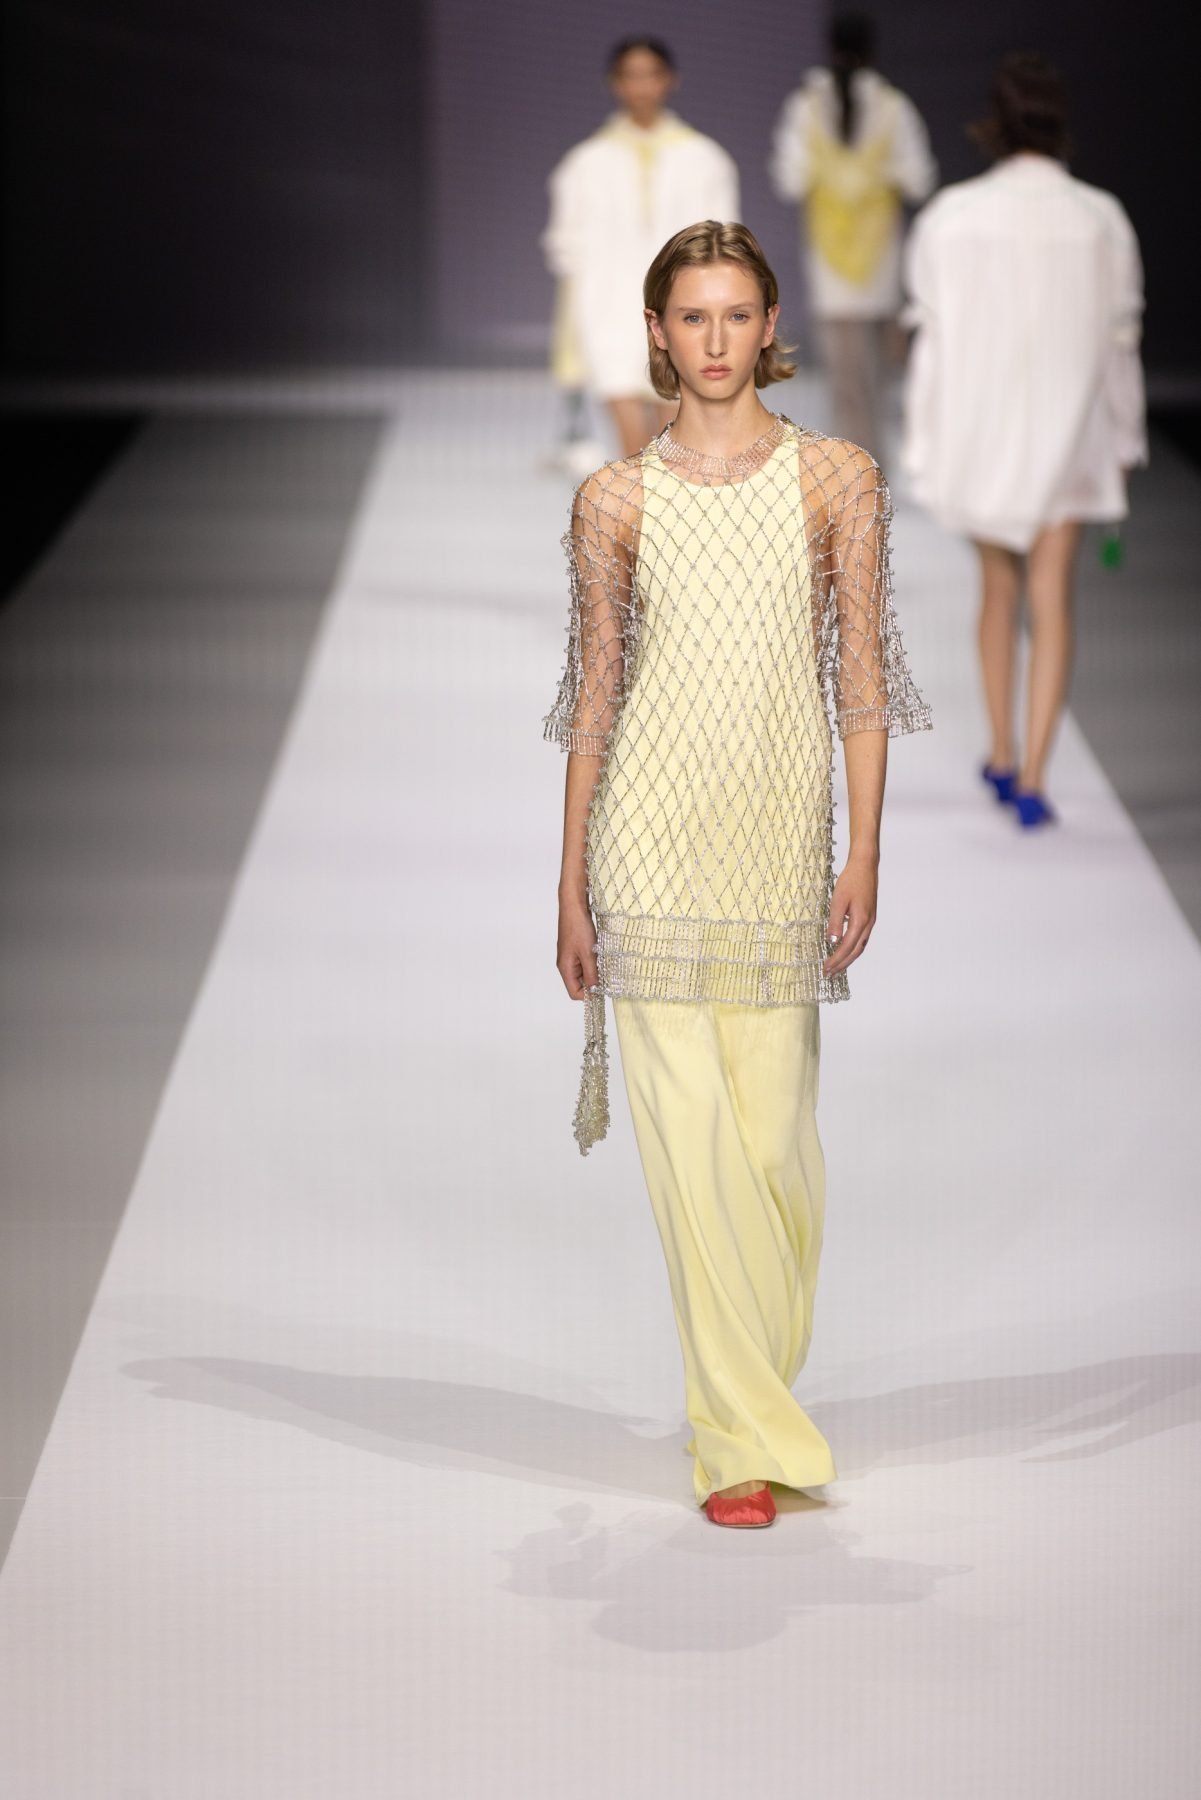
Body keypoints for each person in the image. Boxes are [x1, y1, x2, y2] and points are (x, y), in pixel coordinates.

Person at [541, 220, 932, 1527]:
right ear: (658, 333)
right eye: (690, 317)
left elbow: (861, 680)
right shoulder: (614, 500)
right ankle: (736, 1439)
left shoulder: (837, 480)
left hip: (775, 839)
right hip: (645, 839)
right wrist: (568, 879)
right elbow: (595, 700)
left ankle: (752, 1388)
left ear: (771, 326)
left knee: (773, 1146)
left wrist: (865, 847)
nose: (714, 341)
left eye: (735, 315)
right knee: (689, 1145)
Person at [900, 52, 1147, 828]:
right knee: (1051, 595)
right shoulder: (1100, 218)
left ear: (992, 125)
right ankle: (1034, 774)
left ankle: (1002, 753)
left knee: (996, 590)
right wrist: (1125, 440)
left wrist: (923, 444)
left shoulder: (950, 216)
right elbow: (1120, 344)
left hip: (981, 434)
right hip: (1072, 435)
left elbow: (930, 346)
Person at [543, 38, 740, 460]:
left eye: (651, 75)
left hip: (683, 314)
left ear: (670, 80)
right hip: (608, 313)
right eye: (631, 76)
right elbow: (565, 248)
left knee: (676, 449)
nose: (642, 87)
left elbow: (725, 247)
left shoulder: (705, 158)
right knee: (633, 451)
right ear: (615, 83)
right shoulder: (585, 163)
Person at [768, 12, 936, 465]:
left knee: (847, 384)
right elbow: (920, 178)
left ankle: (856, 476)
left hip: (832, 267)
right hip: (881, 265)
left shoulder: (806, 107)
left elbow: (789, 178)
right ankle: (871, 474)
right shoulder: (893, 107)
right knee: (876, 383)